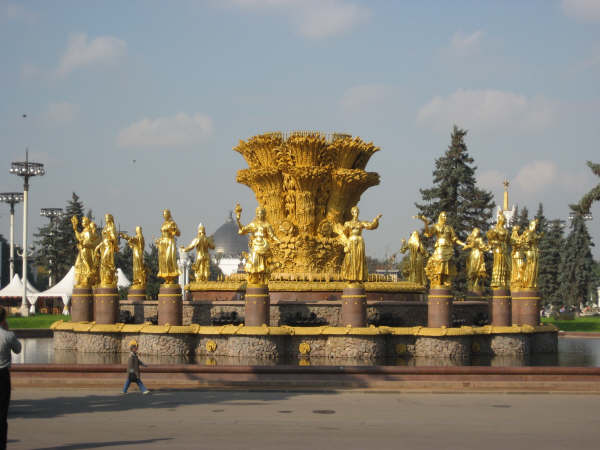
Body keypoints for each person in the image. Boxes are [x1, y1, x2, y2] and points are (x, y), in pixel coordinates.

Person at [1, 306, 22, 448]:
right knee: (2, 413)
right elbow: (18, 349)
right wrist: (8, 330)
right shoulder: (8, 335)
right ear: (3, 319)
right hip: (2, 376)